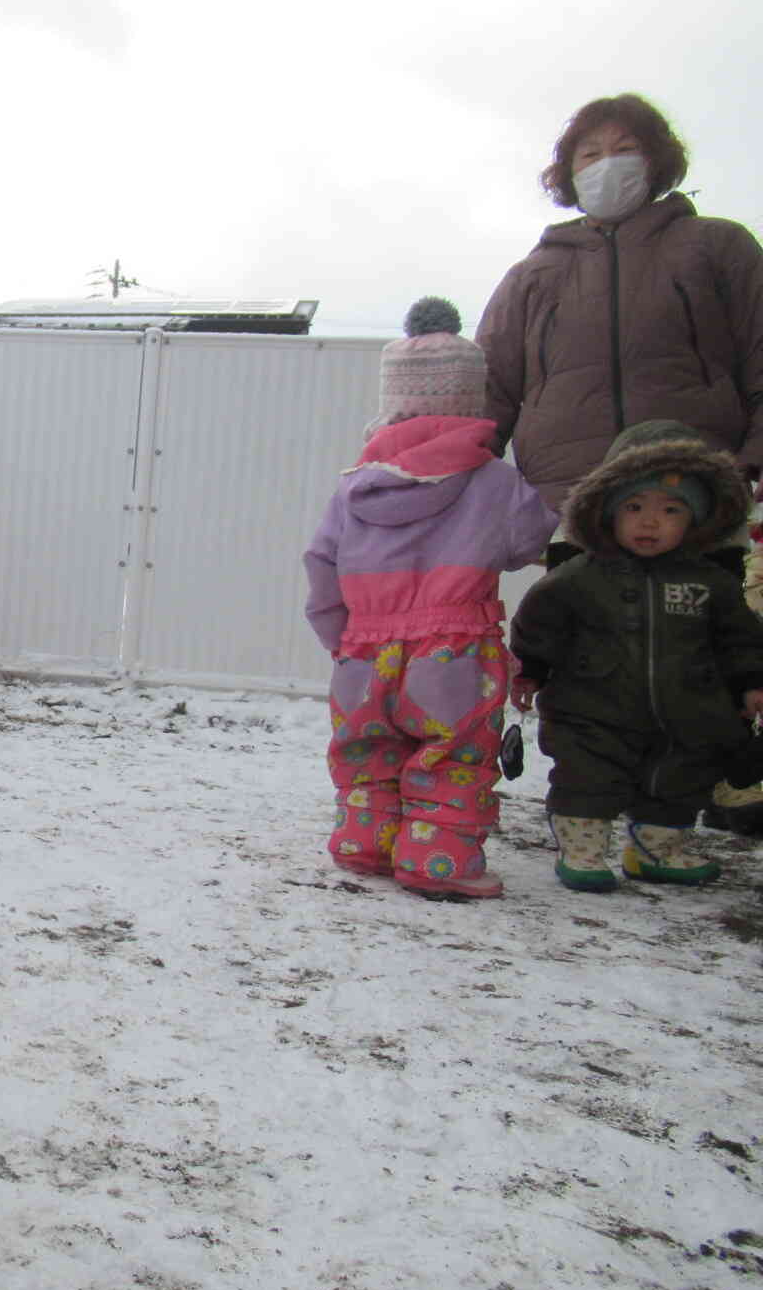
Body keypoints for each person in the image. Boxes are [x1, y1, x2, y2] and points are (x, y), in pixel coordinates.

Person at [474, 92, 763, 831]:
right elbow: (492, 390)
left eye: (623, 149)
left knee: (702, 655)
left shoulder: (718, 247)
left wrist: (751, 465)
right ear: (567, 173)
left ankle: (691, 801)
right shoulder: (534, 273)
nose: (608, 166)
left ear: (658, 160)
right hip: (574, 502)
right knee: (585, 664)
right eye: (589, 154)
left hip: (696, 500)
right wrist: (461, 481)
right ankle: (589, 803)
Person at [304, 298, 556, 901]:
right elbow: (528, 541)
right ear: (473, 403)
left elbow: (320, 563)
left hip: (364, 649)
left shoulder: (354, 486)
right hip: (455, 648)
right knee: (453, 753)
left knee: (369, 748)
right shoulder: (495, 480)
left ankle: (365, 840)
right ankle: (436, 859)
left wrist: (343, 637)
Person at [509, 420, 763, 891]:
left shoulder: (710, 583)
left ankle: (657, 851)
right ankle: (583, 851)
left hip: (685, 713)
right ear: (607, 512)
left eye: (670, 510)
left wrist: (750, 683)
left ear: (697, 519)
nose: (650, 522)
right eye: (634, 507)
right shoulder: (579, 577)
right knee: (586, 779)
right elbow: (538, 623)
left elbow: (740, 639)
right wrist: (528, 671)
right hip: (590, 711)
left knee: (676, 782)